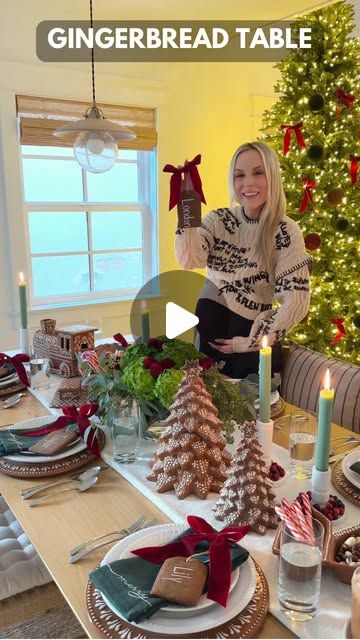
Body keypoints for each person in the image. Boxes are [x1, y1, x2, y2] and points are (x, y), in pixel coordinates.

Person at [175, 141, 311, 378]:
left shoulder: (285, 231)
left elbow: (296, 303)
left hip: (252, 357)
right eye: (239, 175)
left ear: (272, 177)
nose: (247, 183)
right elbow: (190, 259)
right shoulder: (218, 220)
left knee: (257, 415)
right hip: (208, 351)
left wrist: (248, 342)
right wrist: (188, 210)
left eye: (258, 173)